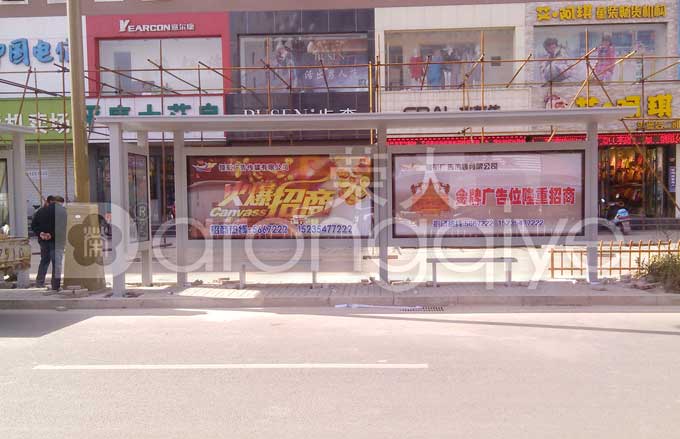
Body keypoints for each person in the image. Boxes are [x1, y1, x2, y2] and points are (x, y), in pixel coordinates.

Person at [31, 195, 66, 292]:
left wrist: (41, 234)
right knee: (57, 263)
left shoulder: (40, 211)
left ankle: (39, 282)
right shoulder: (62, 211)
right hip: (56, 241)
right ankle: (55, 286)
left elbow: (33, 225)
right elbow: (62, 227)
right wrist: (51, 235)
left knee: (44, 261)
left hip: (43, 241)